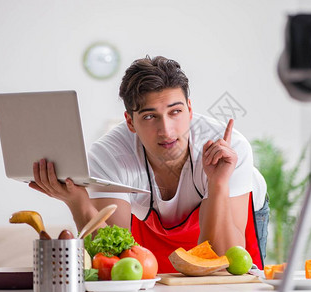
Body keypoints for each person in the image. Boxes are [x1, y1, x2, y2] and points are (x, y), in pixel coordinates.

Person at [29, 56, 268, 272]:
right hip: (144, 216)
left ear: (190, 109)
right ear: (130, 122)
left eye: (175, 112)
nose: (166, 130)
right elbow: (113, 260)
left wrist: (217, 183)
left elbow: (227, 260)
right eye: (150, 116)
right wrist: (77, 201)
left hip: (226, 201)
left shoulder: (228, 148)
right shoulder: (109, 155)